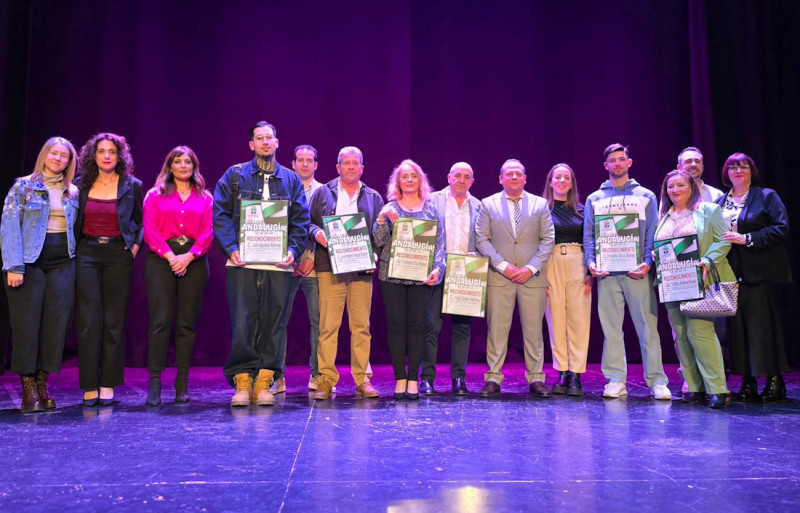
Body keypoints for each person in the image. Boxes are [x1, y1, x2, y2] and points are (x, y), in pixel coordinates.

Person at [213, 121, 309, 407]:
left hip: (278, 266)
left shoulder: (291, 180)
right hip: (242, 264)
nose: (265, 142)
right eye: (259, 138)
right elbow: (219, 214)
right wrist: (230, 249)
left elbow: (300, 221)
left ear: (277, 143)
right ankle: (242, 380)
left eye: (270, 137)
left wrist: (293, 249)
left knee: (274, 324)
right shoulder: (235, 175)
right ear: (251, 145)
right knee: (243, 322)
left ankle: (266, 378)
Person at [583, 144, 671, 400]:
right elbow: (589, 235)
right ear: (606, 165)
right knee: (611, 328)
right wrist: (591, 262)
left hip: (637, 272)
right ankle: (615, 379)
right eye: (613, 160)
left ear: (629, 163)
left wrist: (648, 262)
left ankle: (656, 380)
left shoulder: (646, 196)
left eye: (622, 159)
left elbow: (653, 233)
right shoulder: (594, 199)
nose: (618, 164)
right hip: (607, 273)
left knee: (647, 326)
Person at [1, 137, 79, 412]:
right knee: (27, 326)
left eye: (64, 156)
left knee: (55, 326)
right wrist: (14, 266)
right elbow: (9, 225)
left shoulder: (73, 192)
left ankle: (43, 383)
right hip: (30, 262)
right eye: (53, 153)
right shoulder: (24, 187)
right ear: (44, 155)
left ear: (70, 161)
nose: (58, 159)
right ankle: (28, 389)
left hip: (63, 263)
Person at [309, 147, 384, 400]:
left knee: (361, 327)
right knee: (328, 327)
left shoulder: (373, 197)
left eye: (356, 163)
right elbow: (306, 223)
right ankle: (326, 380)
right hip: (329, 268)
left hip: (361, 270)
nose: (351, 167)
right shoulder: (322, 193)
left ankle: (362, 379)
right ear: (338, 167)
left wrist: (373, 254)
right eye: (346, 163)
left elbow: (380, 235)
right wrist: (317, 232)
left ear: (362, 168)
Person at [475, 159, 554, 398]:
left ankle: (536, 377)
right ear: (501, 179)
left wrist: (531, 268)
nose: (514, 177)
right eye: (509, 174)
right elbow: (481, 239)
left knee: (533, 330)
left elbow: (548, 239)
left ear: (525, 178)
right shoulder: (488, 204)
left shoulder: (540, 204)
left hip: (532, 276)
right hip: (500, 276)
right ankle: (493, 377)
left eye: (518, 174)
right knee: (497, 330)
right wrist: (502, 265)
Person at [74, 133, 143, 406]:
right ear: (92, 156)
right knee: (89, 322)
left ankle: (107, 382)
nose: (106, 156)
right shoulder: (79, 185)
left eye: (111, 151)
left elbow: (140, 221)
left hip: (118, 254)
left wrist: (134, 248)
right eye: (101, 151)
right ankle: (89, 383)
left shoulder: (132, 185)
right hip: (87, 254)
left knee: (114, 322)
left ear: (119, 155)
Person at [716, 153, 791, 402]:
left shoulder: (766, 196)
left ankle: (774, 380)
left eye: (744, 166)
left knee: (763, 329)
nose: (738, 171)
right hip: (731, 274)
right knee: (738, 330)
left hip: (760, 273)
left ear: (751, 171)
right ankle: (747, 381)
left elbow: (781, 227)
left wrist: (747, 239)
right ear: (726, 172)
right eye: (733, 167)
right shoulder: (720, 201)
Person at [655, 170, 733, 408]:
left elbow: (724, 239)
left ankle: (718, 388)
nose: (675, 190)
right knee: (681, 336)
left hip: (701, 281)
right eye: (671, 187)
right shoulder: (665, 215)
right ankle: (695, 387)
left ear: (691, 187)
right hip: (672, 284)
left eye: (680, 185)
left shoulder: (708, 210)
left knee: (699, 333)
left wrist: (707, 261)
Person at [142, 146, 213, 406]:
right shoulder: (154, 195)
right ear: (169, 165)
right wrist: (171, 257)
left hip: (193, 260)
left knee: (186, 324)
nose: (183, 166)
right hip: (162, 259)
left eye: (188, 162)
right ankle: (155, 382)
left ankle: (182, 381)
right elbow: (150, 230)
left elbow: (207, 232)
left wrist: (189, 256)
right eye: (178, 161)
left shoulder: (204, 197)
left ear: (194, 167)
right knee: (160, 322)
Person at [374, 159, 445, 400]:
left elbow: (440, 246)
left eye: (413, 175)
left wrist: (438, 269)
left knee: (417, 326)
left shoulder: (431, 209)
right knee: (395, 326)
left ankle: (413, 379)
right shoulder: (390, 207)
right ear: (398, 181)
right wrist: (381, 219)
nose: (409, 180)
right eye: (404, 176)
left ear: (420, 179)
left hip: (420, 276)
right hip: (391, 275)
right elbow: (379, 241)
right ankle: (400, 379)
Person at [421, 162, 482, 396]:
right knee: (431, 326)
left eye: (467, 176)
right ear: (448, 177)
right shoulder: (432, 200)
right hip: (437, 269)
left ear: (472, 181)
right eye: (457, 175)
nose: (461, 179)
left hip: (465, 272)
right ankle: (427, 377)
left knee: (462, 327)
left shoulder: (479, 206)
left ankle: (459, 378)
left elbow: (483, 238)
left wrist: (477, 255)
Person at [270, 145, 323, 395]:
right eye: (299, 159)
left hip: (314, 265)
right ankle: (277, 375)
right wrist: (288, 257)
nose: (304, 164)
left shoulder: (324, 192)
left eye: (309, 160)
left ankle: (317, 374)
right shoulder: (281, 187)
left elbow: (325, 227)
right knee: (278, 321)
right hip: (284, 264)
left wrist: (311, 256)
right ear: (292, 163)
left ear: (316, 165)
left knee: (319, 322)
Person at [541, 163, 592, 396]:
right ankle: (562, 371)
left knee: (579, 320)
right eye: (557, 177)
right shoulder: (541, 210)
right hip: (551, 262)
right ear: (550, 182)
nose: (561, 181)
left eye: (566, 177)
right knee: (556, 319)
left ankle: (576, 374)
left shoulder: (583, 210)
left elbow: (592, 240)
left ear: (571, 183)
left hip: (577, 261)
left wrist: (591, 272)